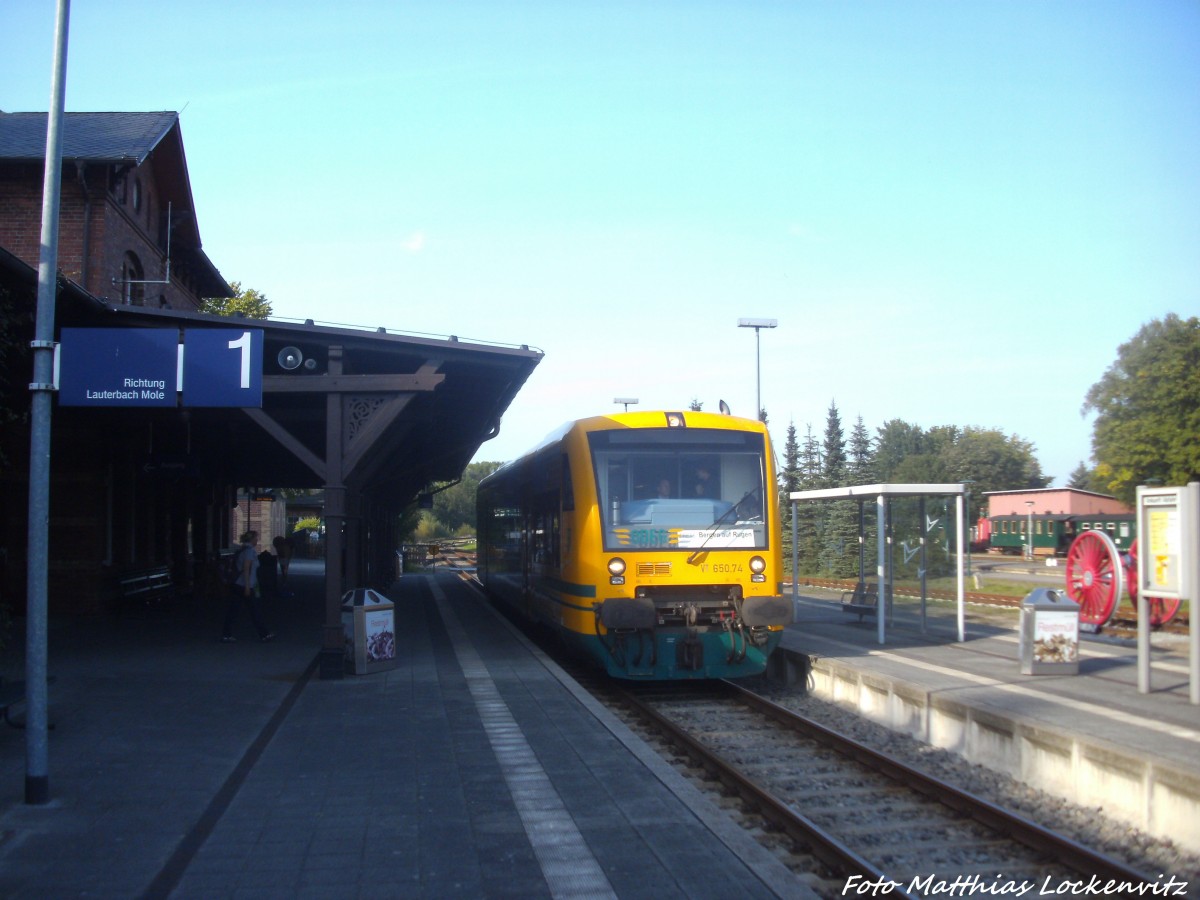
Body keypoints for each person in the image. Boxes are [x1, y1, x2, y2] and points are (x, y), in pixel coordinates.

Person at [222, 530, 274, 643]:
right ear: (251, 539)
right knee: (255, 611)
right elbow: (247, 568)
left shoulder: (242, 550)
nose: (257, 540)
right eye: (256, 538)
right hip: (246, 585)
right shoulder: (250, 551)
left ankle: (226, 634)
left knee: (233, 611)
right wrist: (247, 586)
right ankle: (264, 634)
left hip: (238, 585)